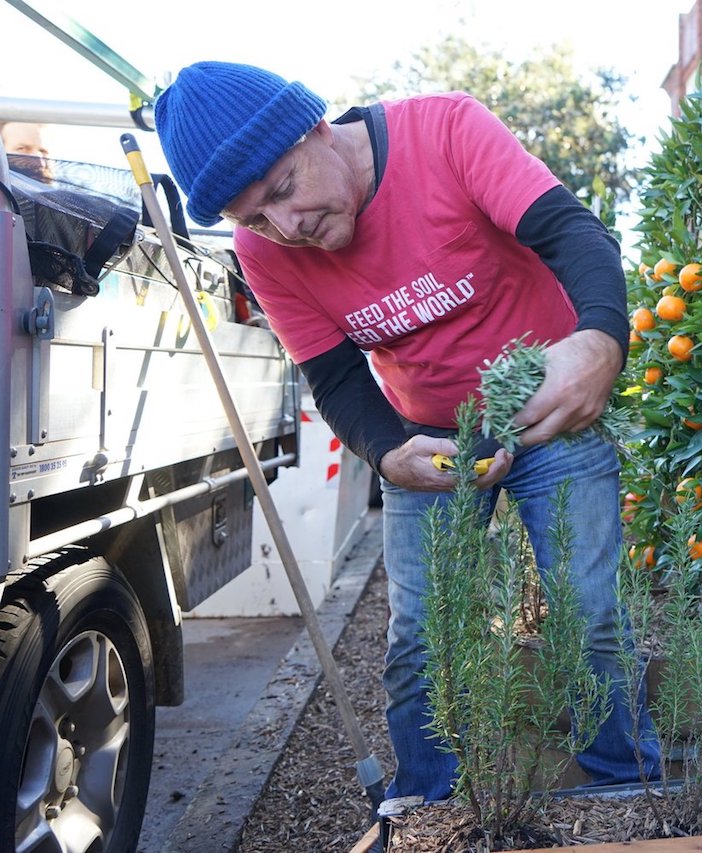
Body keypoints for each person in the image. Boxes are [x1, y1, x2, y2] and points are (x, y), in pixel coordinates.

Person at [152, 61, 661, 801]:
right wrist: (387, 453)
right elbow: (335, 377)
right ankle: (430, 801)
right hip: (431, 438)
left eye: (286, 188)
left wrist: (599, 344)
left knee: (588, 611)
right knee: (422, 634)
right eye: (255, 217)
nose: (286, 227)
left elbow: (574, 235)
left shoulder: (446, 132)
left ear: (318, 128)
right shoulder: (266, 254)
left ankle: (622, 781)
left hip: (552, 412)